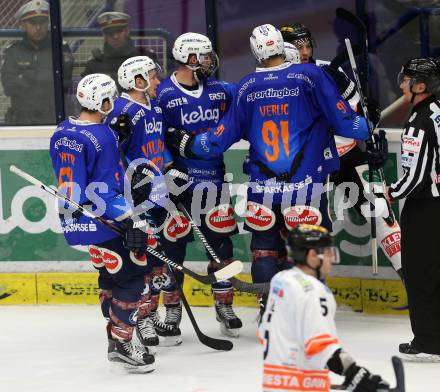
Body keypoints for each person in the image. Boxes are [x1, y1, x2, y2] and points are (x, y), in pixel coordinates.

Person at [165, 24, 370, 310]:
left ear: (255, 50)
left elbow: (215, 142)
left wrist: (182, 141)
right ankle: (313, 310)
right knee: (312, 249)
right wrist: (370, 126)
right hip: (305, 187)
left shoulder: (248, 85)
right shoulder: (310, 76)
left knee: (264, 251)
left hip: (263, 188)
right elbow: (348, 124)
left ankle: (268, 310)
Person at [49, 73, 156, 373]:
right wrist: (133, 220)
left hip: (79, 220)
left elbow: (83, 165)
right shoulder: (104, 136)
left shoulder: (62, 131)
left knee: (109, 277)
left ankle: (116, 336)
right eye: (110, 98)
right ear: (102, 100)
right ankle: (122, 344)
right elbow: (107, 190)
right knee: (133, 277)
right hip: (107, 220)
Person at [280, 22, 403, 281]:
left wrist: (370, 119)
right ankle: (295, 291)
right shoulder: (277, 81)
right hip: (307, 164)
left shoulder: (330, 71)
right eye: (296, 46)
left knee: (379, 209)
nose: (303, 51)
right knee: (305, 226)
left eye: (306, 44)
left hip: (345, 155)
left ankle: (412, 282)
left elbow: (357, 116)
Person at [157, 32, 242, 337]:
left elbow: (247, 95)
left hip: (214, 183)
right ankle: (172, 309)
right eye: (205, 56)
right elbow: (154, 134)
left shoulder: (220, 90)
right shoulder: (163, 94)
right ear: (191, 59)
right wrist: (166, 167)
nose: (209, 61)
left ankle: (224, 303)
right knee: (172, 250)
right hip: (175, 187)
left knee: (222, 247)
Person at [105, 55, 182, 346]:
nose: (158, 81)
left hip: (158, 192)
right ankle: (145, 320)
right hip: (136, 198)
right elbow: (109, 157)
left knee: (160, 260)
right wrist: (118, 139)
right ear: (137, 80)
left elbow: (159, 148)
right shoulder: (120, 110)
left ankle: (154, 313)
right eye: (152, 76)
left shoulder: (155, 108)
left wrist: (172, 169)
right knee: (146, 261)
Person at [258, 224, 390, 392]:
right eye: (328, 253)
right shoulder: (313, 291)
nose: (331, 260)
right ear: (313, 255)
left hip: (273, 384)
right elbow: (321, 346)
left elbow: (263, 333)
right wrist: (355, 372)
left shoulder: (280, 280)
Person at [387, 57, 440, 362]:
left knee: (421, 276)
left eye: (406, 79)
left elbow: (416, 179)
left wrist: (391, 191)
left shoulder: (418, 123)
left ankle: (429, 342)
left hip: (425, 211)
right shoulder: (437, 112)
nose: (402, 83)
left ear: (420, 86)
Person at [1, 0, 73, 125]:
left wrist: (28, 77)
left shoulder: (60, 48)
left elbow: (65, 82)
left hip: (55, 116)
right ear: (22, 24)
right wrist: (48, 76)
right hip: (22, 119)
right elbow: (9, 87)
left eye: (42, 22)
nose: (38, 28)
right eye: (33, 23)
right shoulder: (13, 51)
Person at [81, 11, 157, 91]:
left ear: (127, 31)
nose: (115, 36)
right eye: (110, 33)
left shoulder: (145, 59)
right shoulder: (94, 65)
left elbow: (158, 89)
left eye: (119, 31)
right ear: (104, 36)